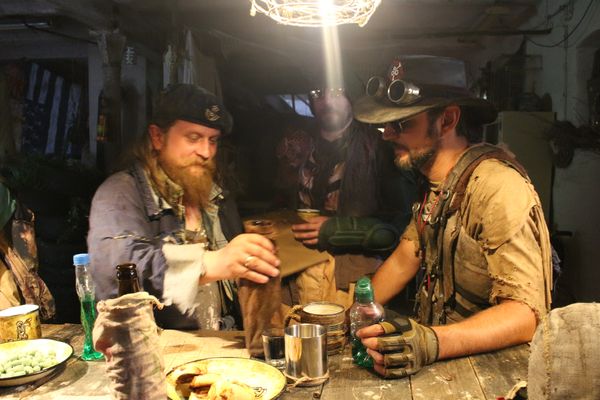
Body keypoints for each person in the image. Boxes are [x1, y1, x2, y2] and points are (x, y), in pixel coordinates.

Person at [351, 55, 552, 378]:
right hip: (449, 363)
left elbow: (525, 315)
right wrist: (350, 315)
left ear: (447, 120)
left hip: (494, 373)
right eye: (385, 124)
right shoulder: (437, 184)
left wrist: (430, 342)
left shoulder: (497, 187)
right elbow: (405, 259)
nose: (386, 134)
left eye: (402, 124)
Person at [88, 84, 280, 330]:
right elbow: (119, 268)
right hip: (160, 345)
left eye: (213, 140)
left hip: (221, 339)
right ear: (158, 137)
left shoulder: (216, 195)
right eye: (193, 138)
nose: (206, 152)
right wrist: (210, 263)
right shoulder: (120, 193)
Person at [289, 86, 416, 309]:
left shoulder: (380, 148)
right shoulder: (298, 145)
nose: (327, 101)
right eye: (318, 93)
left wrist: (338, 229)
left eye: (336, 91)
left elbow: (403, 225)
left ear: (351, 97)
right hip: (300, 272)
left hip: (354, 278)